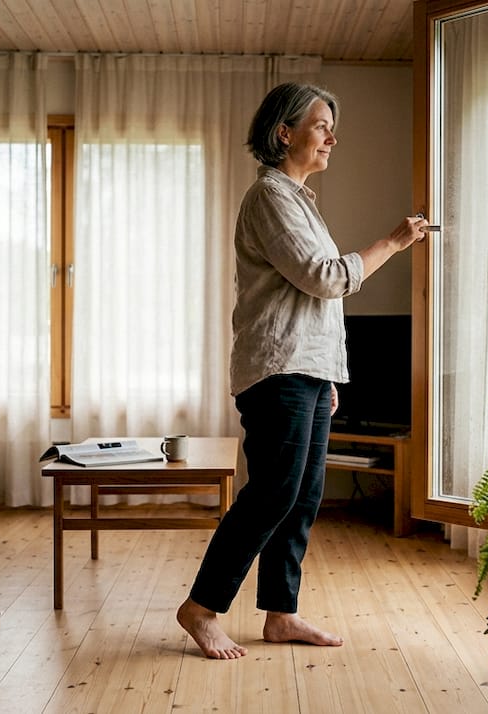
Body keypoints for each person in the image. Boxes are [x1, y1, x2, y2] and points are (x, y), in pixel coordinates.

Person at [176, 82, 428, 659]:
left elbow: (315, 306)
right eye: (321, 125)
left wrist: (331, 374)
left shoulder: (300, 201)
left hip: (308, 371)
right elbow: (325, 278)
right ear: (284, 132)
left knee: (303, 495)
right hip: (276, 369)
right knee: (273, 494)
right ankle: (201, 607)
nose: (331, 137)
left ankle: (280, 614)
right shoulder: (269, 197)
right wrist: (391, 242)